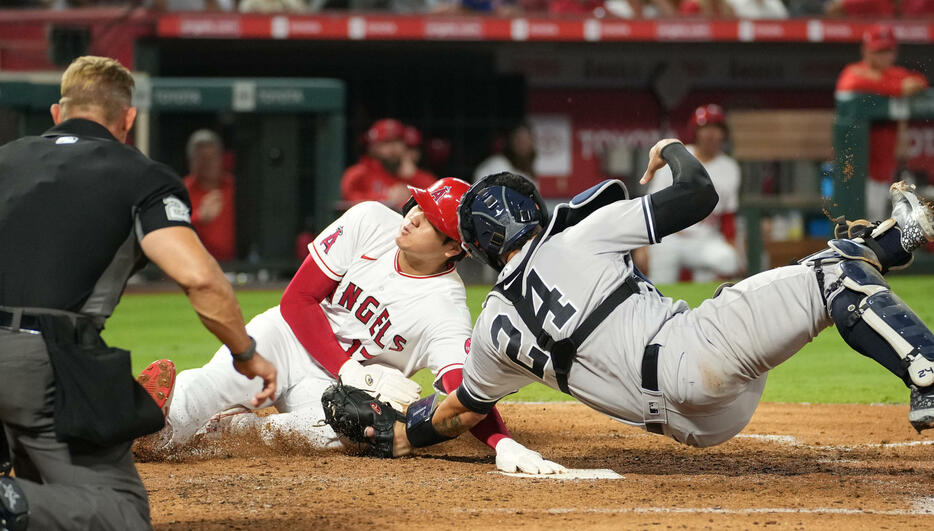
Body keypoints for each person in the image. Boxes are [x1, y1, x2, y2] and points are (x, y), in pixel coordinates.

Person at [347, 138, 934, 459]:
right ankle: (927, 372)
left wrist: (401, 433)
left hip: (693, 427)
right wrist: (673, 148)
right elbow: (698, 194)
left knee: (816, 272)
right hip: (700, 356)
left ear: (475, 246)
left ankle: (894, 239)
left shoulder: (491, 328)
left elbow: (460, 412)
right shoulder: (580, 234)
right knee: (835, 279)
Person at [0, 56, 276, 530]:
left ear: (55, 112)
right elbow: (200, 278)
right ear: (128, 119)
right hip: (43, 362)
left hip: (25, 371)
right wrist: (245, 352)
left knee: (37, 483)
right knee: (121, 514)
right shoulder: (140, 174)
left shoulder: (4, 158)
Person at [150, 178, 563, 474]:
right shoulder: (369, 221)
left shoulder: (446, 309)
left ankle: (234, 431)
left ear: (453, 247)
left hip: (335, 393)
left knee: (368, 427)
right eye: (418, 205)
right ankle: (143, 430)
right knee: (207, 386)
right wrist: (348, 365)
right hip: (287, 339)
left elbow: (464, 389)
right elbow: (298, 300)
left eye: (430, 220)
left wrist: (500, 442)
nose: (414, 216)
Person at [836, 24, 929, 221]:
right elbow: (850, 84)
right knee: (863, 227)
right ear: (865, 50)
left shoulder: (894, 73)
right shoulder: (854, 72)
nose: (883, 57)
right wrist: (895, 87)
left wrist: (887, 84)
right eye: (878, 51)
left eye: (887, 51)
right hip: (858, 174)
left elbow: (919, 81)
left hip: (889, 168)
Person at [643, 104, 741, 283]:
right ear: (695, 132)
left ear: (724, 134)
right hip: (670, 236)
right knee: (660, 284)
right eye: (705, 128)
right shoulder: (678, 155)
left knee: (728, 260)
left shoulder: (730, 168)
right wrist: (642, 244)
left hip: (705, 239)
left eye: (716, 128)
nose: (711, 134)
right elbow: (651, 204)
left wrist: (734, 245)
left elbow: (728, 215)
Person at [341, 118, 436, 211]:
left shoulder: (420, 177)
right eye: (386, 143)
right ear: (374, 148)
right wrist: (385, 198)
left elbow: (435, 202)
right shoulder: (359, 173)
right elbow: (349, 201)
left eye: (397, 141)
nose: (393, 148)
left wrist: (413, 177)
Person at [183, 129, 237, 262]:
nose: (207, 163)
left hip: (237, 265)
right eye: (201, 158)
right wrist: (199, 216)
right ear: (191, 161)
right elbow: (169, 229)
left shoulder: (235, 187)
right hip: (195, 265)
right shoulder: (180, 190)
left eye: (212, 157)